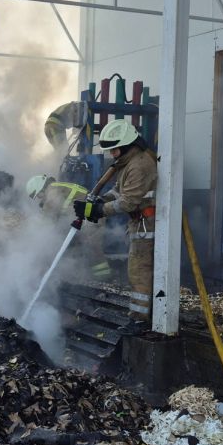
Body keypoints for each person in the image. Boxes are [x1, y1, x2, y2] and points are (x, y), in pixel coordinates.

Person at [73, 119, 157, 335]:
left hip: (147, 223)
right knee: (139, 270)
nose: (112, 154)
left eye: (115, 149)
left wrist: (100, 211)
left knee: (139, 271)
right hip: (138, 222)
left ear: (127, 145)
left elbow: (128, 201)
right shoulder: (128, 162)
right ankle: (146, 314)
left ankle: (139, 321)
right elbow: (119, 192)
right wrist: (99, 202)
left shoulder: (140, 165)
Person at [26, 175, 111, 282]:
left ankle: (103, 278)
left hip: (92, 217)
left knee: (92, 247)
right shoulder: (57, 187)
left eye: (38, 195)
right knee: (78, 247)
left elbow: (47, 221)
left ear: (40, 188)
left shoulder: (52, 192)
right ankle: (79, 274)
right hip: (88, 216)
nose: (39, 198)